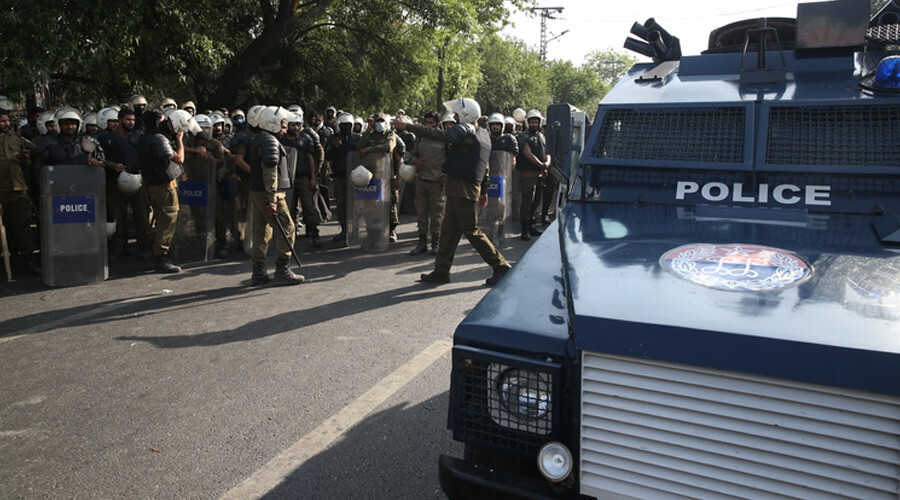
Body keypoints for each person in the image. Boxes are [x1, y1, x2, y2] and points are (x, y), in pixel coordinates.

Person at [395, 98, 511, 286]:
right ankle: (441, 271)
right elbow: (484, 166)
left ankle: (501, 266)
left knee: (471, 231)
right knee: (449, 232)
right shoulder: (482, 133)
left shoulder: (467, 134)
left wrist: (408, 126)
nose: (454, 118)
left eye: (457, 114)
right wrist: (483, 190)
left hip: (463, 189)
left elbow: (440, 135)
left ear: (466, 115)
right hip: (460, 188)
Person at [246, 106, 304, 285]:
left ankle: (258, 272)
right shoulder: (270, 142)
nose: (285, 127)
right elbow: (270, 173)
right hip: (269, 194)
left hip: (257, 192)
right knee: (287, 228)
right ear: (272, 123)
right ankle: (282, 269)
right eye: (283, 124)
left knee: (261, 231)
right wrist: (272, 199)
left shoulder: (259, 139)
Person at [135, 110, 185, 273]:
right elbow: (179, 158)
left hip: (151, 184)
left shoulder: (144, 137)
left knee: (159, 219)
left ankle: (155, 252)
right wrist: (179, 141)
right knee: (168, 219)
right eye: (163, 120)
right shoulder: (158, 138)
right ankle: (161, 257)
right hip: (164, 186)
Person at [104, 108, 153, 261]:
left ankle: (145, 247)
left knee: (142, 216)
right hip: (115, 182)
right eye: (127, 120)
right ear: (119, 120)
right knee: (117, 217)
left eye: (132, 120)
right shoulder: (107, 138)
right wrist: (112, 165)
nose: (131, 123)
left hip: (137, 181)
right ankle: (118, 249)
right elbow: (98, 158)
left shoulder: (139, 137)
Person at [0, 112, 39, 274]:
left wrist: (24, 159)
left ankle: (28, 260)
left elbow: (32, 156)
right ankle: (8, 263)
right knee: (5, 232)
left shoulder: (16, 138)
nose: (5, 123)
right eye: (2, 121)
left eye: (7, 120)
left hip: (18, 189)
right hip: (1, 192)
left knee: (22, 228)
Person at [407, 111, 446, 256]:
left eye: (431, 123)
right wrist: (414, 161)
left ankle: (436, 243)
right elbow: (411, 154)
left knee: (437, 214)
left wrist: (446, 176)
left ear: (437, 124)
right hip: (422, 180)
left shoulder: (444, 137)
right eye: (426, 123)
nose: (428, 125)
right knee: (421, 214)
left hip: (438, 181)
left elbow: (452, 159)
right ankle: (422, 243)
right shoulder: (420, 138)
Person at [284, 111, 322, 247]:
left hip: (302, 176)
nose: (295, 127)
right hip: (286, 178)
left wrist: (313, 177)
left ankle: (314, 231)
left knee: (309, 205)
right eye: (292, 124)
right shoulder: (281, 139)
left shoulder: (305, 138)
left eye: (297, 125)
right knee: (288, 207)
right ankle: (289, 235)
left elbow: (310, 158)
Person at [516, 109, 550, 241]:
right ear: (527, 123)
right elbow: (527, 154)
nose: (534, 124)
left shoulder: (542, 136)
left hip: (540, 174)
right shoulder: (523, 137)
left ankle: (532, 226)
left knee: (537, 201)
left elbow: (548, 152)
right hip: (528, 174)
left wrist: (547, 163)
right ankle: (524, 229)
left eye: (536, 122)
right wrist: (542, 164)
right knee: (527, 201)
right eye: (532, 122)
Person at [325, 112, 359, 243]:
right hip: (339, 176)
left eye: (348, 125)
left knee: (355, 203)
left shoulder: (356, 139)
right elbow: (327, 155)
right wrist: (333, 146)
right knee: (341, 204)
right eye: (343, 125)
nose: (346, 127)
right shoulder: (333, 139)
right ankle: (344, 229)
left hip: (354, 176)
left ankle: (355, 228)